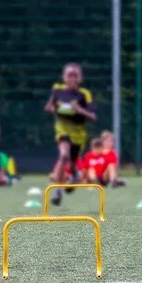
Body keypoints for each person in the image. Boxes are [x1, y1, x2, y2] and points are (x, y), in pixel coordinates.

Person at [45, 65, 95, 201]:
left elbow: (93, 116)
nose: (72, 79)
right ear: (64, 77)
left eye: (75, 76)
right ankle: (58, 190)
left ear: (80, 78)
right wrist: (53, 109)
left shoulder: (84, 94)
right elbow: (49, 106)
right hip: (62, 128)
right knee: (63, 155)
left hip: (78, 132)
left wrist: (79, 109)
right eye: (69, 75)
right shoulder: (57, 90)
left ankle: (75, 175)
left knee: (72, 163)